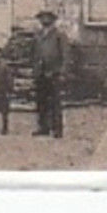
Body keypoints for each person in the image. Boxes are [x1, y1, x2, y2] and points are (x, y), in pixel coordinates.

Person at [32, 9, 69, 137]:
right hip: (41, 73)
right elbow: (35, 54)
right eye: (42, 18)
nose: (44, 20)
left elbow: (65, 54)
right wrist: (35, 70)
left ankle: (57, 128)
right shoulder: (38, 35)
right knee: (41, 101)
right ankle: (43, 127)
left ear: (52, 20)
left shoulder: (59, 35)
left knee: (55, 102)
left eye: (47, 18)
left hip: (54, 72)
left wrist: (62, 71)